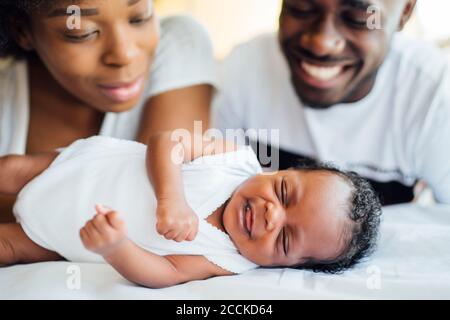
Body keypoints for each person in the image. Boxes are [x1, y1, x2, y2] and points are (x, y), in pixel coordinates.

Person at [0, 133, 381, 288]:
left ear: (287, 265)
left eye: (284, 238)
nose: (271, 216)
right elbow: (166, 141)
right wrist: (171, 199)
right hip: (79, 168)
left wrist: (116, 248)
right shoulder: (233, 157)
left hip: (62, 236)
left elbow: (165, 273)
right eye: (283, 192)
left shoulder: (229, 260)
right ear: (281, 170)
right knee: (10, 171)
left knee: (9, 247)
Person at [213, 0, 450, 205]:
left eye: (358, 18)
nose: (321, 42)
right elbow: (212, 191)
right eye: (301, 7)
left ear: (405, 12)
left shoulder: (434, 98)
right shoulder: (244, 70)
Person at [0, 0, 216, 222]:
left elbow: (150, 214)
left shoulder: (178, 43)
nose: (124, 54)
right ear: (22, 31)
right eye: (83, 33)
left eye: (139, 18)